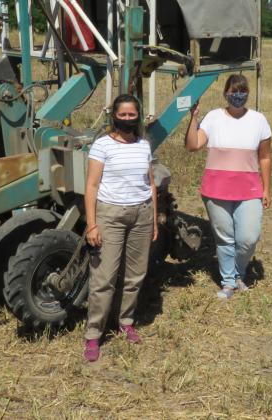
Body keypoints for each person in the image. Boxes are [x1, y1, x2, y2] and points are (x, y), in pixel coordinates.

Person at [83, 94, 157, 362]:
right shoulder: (102, 145)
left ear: (138, 117)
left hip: (141, 214)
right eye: (122, 115)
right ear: (114, 116)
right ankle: (94, 334)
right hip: (110, 215)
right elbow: (91, 186)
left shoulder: (143, 145)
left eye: (131, 115)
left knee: (135, 275)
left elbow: (150, 183)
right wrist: (92, 224)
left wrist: (153, 219)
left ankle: (126, 321)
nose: (127, 119)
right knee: (104, 277)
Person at [184, 74, 272, 300]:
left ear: (248, 93)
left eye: (242, 91)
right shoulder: (213, 117)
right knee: (225, 239)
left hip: (249, 190)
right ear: (225, 93)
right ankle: (229, 282)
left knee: (248, 238)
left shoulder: (259, 120)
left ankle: (239, 272)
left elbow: (265, 157)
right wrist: (193, 118)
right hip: (216, 190)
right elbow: (193, 145)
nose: (238, 95)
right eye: (234, 91)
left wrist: (266, 189)